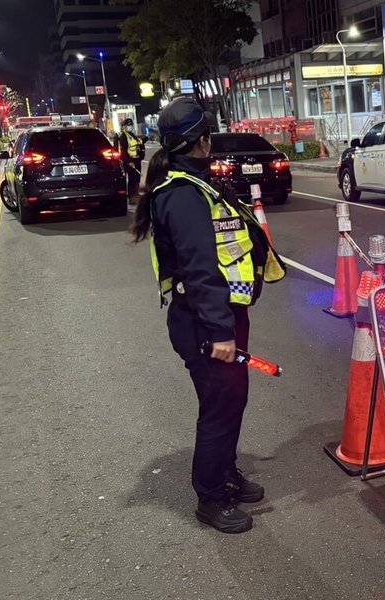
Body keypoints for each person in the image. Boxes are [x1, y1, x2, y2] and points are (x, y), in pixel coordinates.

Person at [130, 97, 285, 534]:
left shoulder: (198, 186)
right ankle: (210, 496)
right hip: (205, 323)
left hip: (221, 317)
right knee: (219, 408)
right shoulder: (183, 196)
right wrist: (221, 332)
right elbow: (201, 270)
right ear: (203, 140)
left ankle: (226, 474)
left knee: (231, 400)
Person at [118, 118, 145, 199]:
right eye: (128, 125)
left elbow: (138, 143)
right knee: (132, 179)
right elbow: (123, 151)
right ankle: (131, 196)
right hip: (130, 161)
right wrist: (128, 161)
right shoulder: (123, 136)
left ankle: (136, 193)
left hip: (137, 160)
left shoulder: (132, 135)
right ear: (124, 126)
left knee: (137, 177)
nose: (130, 127)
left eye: (131, 125)